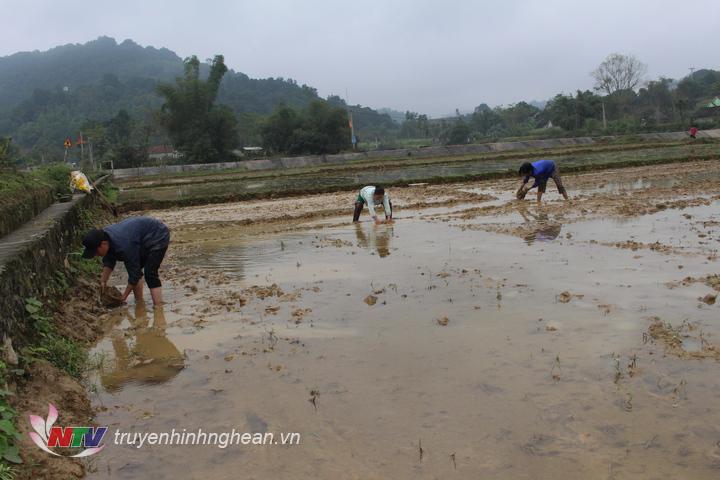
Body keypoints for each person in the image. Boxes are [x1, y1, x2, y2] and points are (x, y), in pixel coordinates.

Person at [82, 216, 170, 305]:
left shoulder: (124, 246)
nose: (96, 255)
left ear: (103, 244)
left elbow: (134, 275)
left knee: (150, 273)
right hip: (139, 239)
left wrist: (123, 297)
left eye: (96, 251)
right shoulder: (104, 237)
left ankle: (158, 306)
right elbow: (109, 261)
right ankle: (139, 302)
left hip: (158, 234)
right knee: (134, 269)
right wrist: (103, 281)